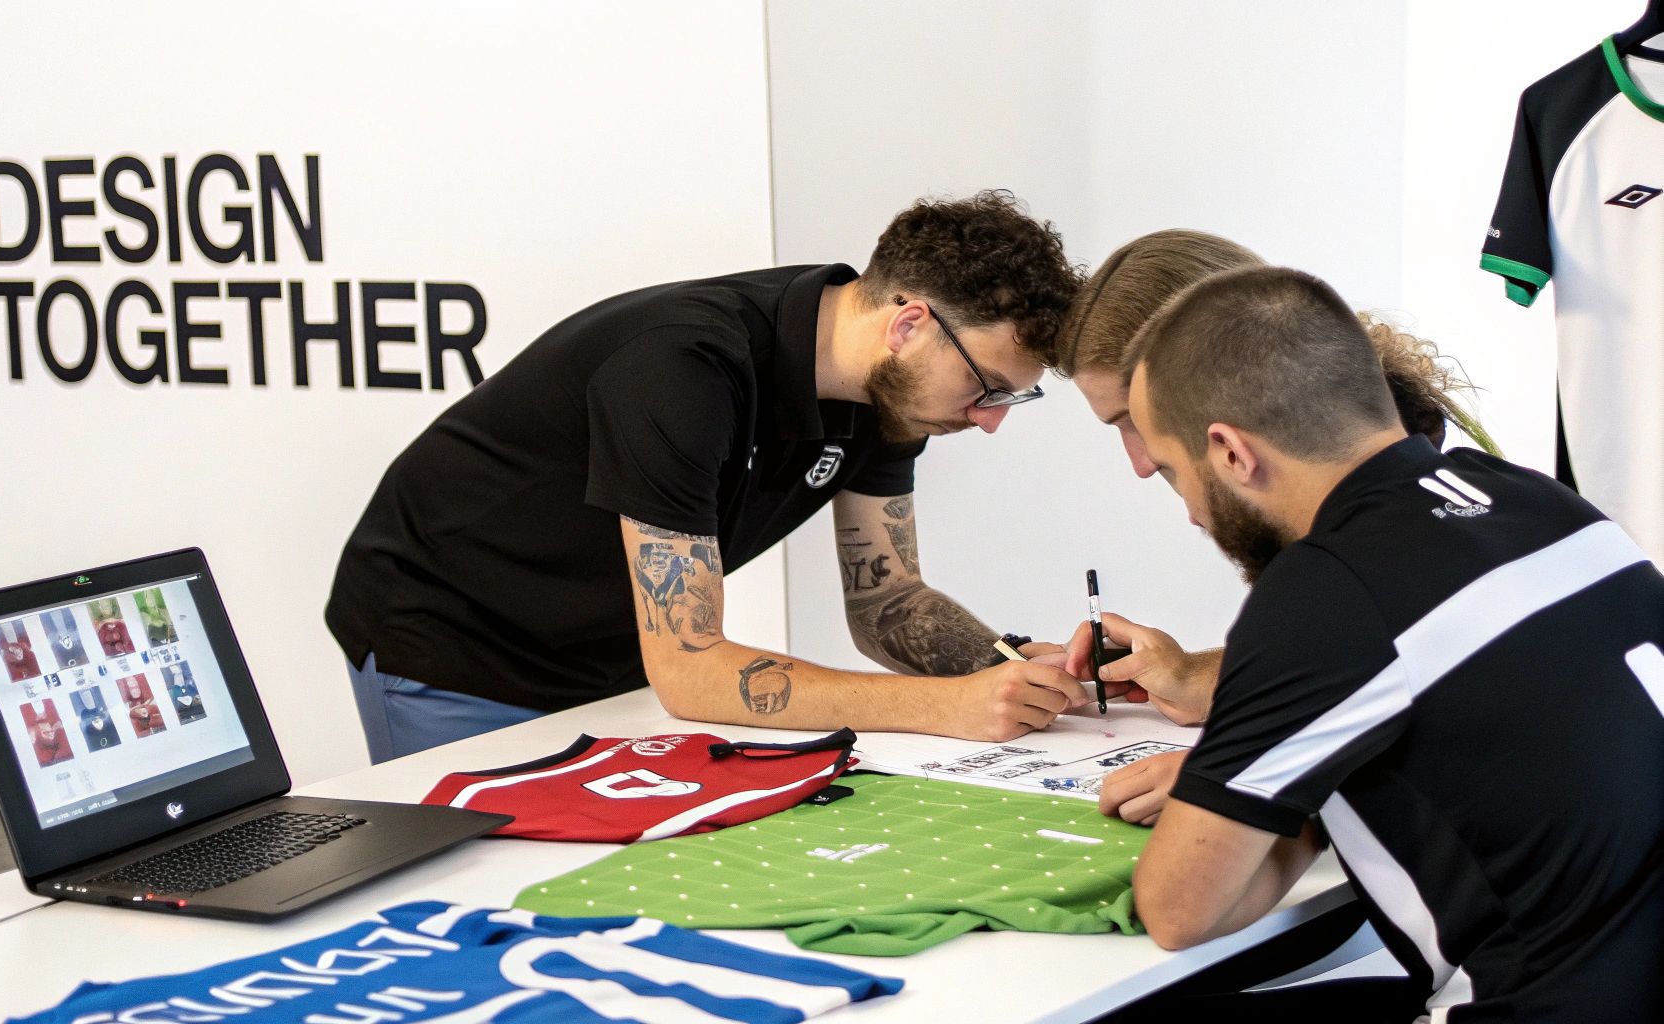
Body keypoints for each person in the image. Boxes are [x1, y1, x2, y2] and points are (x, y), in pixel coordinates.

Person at [327, 190, 1094, 763]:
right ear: (908, 324)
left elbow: (888, 602)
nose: (990, 419)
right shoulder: (683, 368)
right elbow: (693, 671)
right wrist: (947, 708)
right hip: (453, 641)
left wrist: (1015, 668)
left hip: (611, 654)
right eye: (988, 387)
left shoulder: (888, 399)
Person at [1112, 265, 1663, 1020]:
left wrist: (1271, 789)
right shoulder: (1536, 498)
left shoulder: (1328, 587)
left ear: (1232, 452)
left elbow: (1179, 911)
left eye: (1177, 476)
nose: (1193, 517)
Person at [1039, 230, 1503, 825]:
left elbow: (1458, 701)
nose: (1142, 461)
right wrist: (1195, 676)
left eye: (1137, 420)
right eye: (1117, 427)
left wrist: (1244, 770)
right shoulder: (1462, 487)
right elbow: (1367, 656)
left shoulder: (1374, 527)